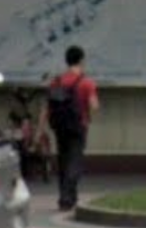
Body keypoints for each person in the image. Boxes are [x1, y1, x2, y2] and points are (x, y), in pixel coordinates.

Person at [39, 44, 100, 212]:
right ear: (81, 60)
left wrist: (40, 130)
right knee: (75, 162)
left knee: (63, 161)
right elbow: (94, 106)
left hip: (59, 126)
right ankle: (67, 196)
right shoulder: (86, 82)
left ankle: (66, 199)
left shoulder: (56, 81)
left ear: (66, 61)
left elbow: (46, 108)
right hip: (78, 126)